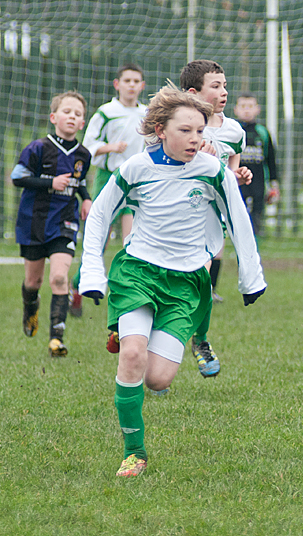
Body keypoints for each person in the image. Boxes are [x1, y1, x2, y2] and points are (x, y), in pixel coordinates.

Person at [78, 84, 266, 477]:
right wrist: (92, 271)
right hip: (138, 271)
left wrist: (251, 279)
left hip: (185, 284)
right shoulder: (136, 168)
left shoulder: (212, 170)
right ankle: (135, 452)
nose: (196, 139)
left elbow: (238, 220)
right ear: (160, 130)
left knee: (158, 379)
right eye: (186, 131)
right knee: (132, 356)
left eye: (200, 131)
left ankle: (129, 336)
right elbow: (100, 216)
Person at [179, 59, 253, 378]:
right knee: (170, 286)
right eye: (216, 86)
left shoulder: (234, 130)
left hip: (209, 216)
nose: (224, 92)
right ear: (194, 92)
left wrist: (238, 175)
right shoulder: (177, 124)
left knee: (202, 283)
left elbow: (231, 172)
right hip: (174, 214)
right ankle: (137, 335)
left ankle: (200, 340)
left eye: (225, 85)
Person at [13, 91, 92, 358]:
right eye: (67, 111)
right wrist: (50, 182)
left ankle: (56, 339)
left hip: (64, 223)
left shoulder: (83, 154)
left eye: (78, 114)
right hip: (33, 223)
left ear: (82, 123)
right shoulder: (37, 148)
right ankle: (30, 308)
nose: (72, 116)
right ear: (53, 117)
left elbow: (79, 183)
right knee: (33, 281)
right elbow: (17, 177)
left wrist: (87, 199)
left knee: (59, 277)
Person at [69, 63, 147, 318]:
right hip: (108, 178)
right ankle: (77, 290)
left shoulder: (147, 114)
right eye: (127, 81)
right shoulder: (105, 112)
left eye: (136, 81)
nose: (132, 85)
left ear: (142, 86)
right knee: (98, 239)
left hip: (137, 181)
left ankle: (129, 295)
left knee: (134, 242)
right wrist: (110, 147)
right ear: (117, 84)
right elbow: (87, 146)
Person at [233, 92, 280, 244]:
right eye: (243, 106)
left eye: (250, 106)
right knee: (238, 216)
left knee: (256, 217)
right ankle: (238, 244)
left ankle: (254, 245)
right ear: (236, 110)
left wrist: (274, 184)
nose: (246, 110)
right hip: (237, 183)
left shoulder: (262, 133)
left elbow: (271, 160)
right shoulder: (232, 131)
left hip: (258, 184)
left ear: (257, 109)